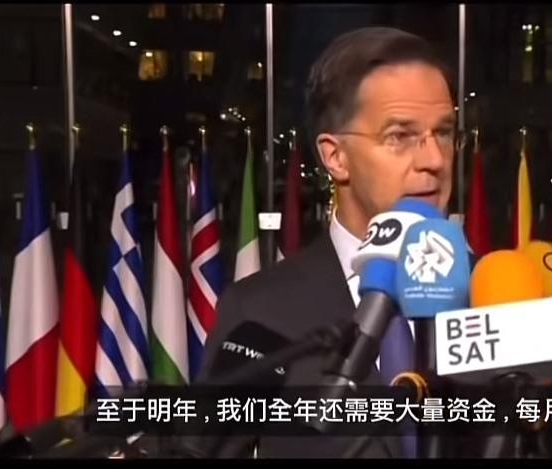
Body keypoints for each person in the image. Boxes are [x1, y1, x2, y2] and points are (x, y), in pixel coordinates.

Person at [193, 26, 461, 458]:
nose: (434, 160)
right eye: (399, 136)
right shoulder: (260, 313)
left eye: (443, 133)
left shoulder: (493, 297)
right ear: (335, 157)